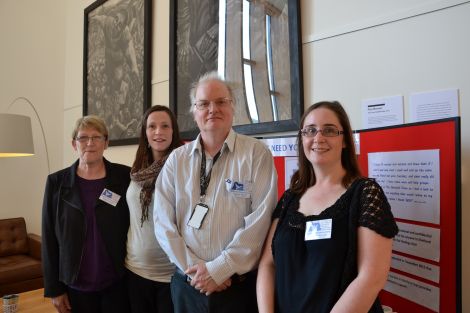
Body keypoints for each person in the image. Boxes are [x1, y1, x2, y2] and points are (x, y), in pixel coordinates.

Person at [257, 101, 399, 313]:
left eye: (330, 130)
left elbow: (371, 278)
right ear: (302, 138)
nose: (318, 138)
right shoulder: (289, 198)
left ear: (344, 141)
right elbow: (268, 264)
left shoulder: (365, 193)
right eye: (310, 130)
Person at [154, 71, 278, 313]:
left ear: (233, 107)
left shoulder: (256, 154)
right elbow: (162, 223)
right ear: (194, 111)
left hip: (237, 289)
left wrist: (220, 269)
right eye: (204, 104)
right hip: (188, 286)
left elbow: (260, 221)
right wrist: (199, 272)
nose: (213, 109)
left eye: (221, 102)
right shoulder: (176, 161)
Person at [41, 115, 131, 313]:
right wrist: (54, 289)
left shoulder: (125, 178)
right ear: (74, 144)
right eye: (83, 138)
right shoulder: (57, 183)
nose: (90, 143)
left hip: (116, 284)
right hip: (75, 287)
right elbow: (48, 238)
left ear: (106, 143)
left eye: (97, 137)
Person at [125, 105, 183, 313]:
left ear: (173, 131)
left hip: (171, 273)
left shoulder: (183, 167)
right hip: (135, 271)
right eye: (152, 127)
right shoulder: (136, 170)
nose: (158, 132)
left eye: (165, 126)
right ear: (145, 133)